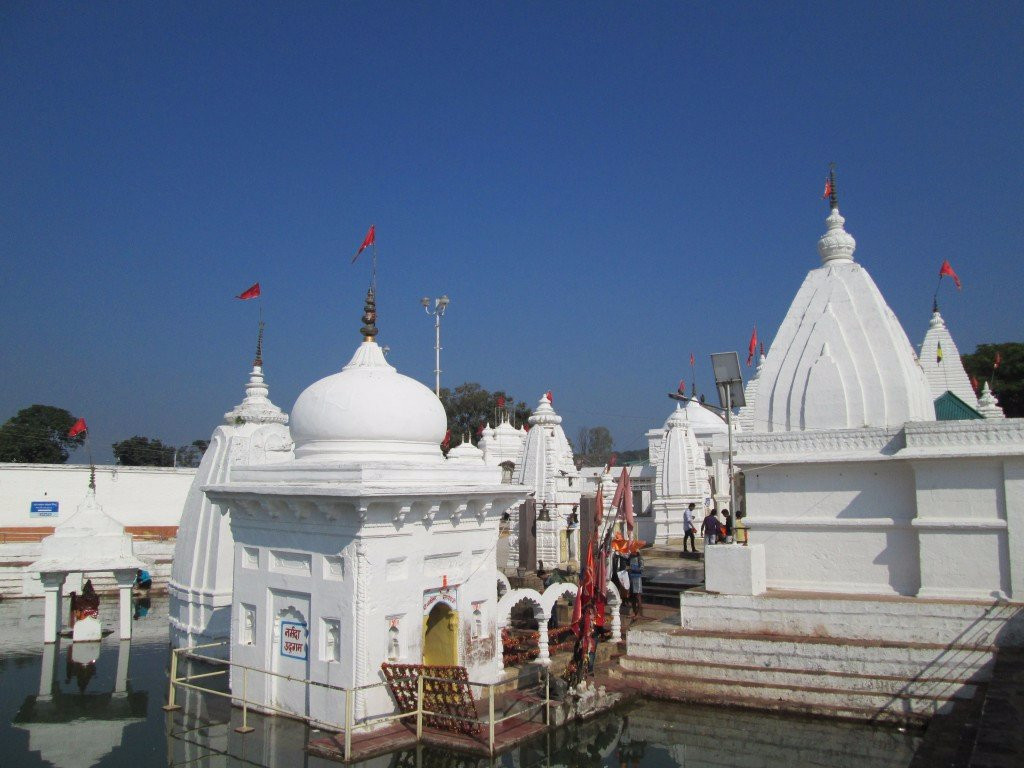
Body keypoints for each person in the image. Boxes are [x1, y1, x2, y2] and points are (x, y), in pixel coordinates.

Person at [627, 547, 644, 618]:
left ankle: (638, 613)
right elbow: (627, 564)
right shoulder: (630, 557)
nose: (632, 552)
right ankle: (634, 612)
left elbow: (642, 568)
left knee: (638, 597)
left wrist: (633, 568)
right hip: (631, 578)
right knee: (632, 597)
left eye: (633, 551)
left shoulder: (640, 558)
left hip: (637, 578)